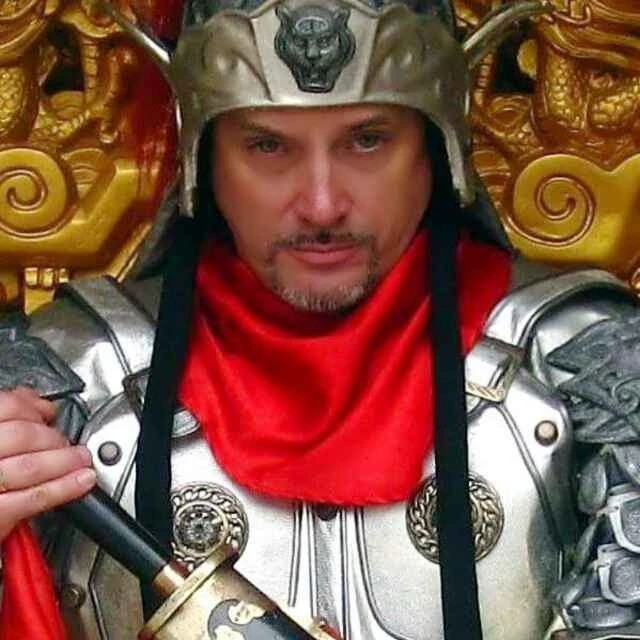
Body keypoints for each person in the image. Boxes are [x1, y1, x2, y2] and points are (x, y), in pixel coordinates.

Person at [0, 1, 638, 639]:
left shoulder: (591, 365)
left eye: (368, 140)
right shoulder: (67, 378)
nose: (322, 205)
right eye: (267, 145)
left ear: (438, 142)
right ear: (202, 154)